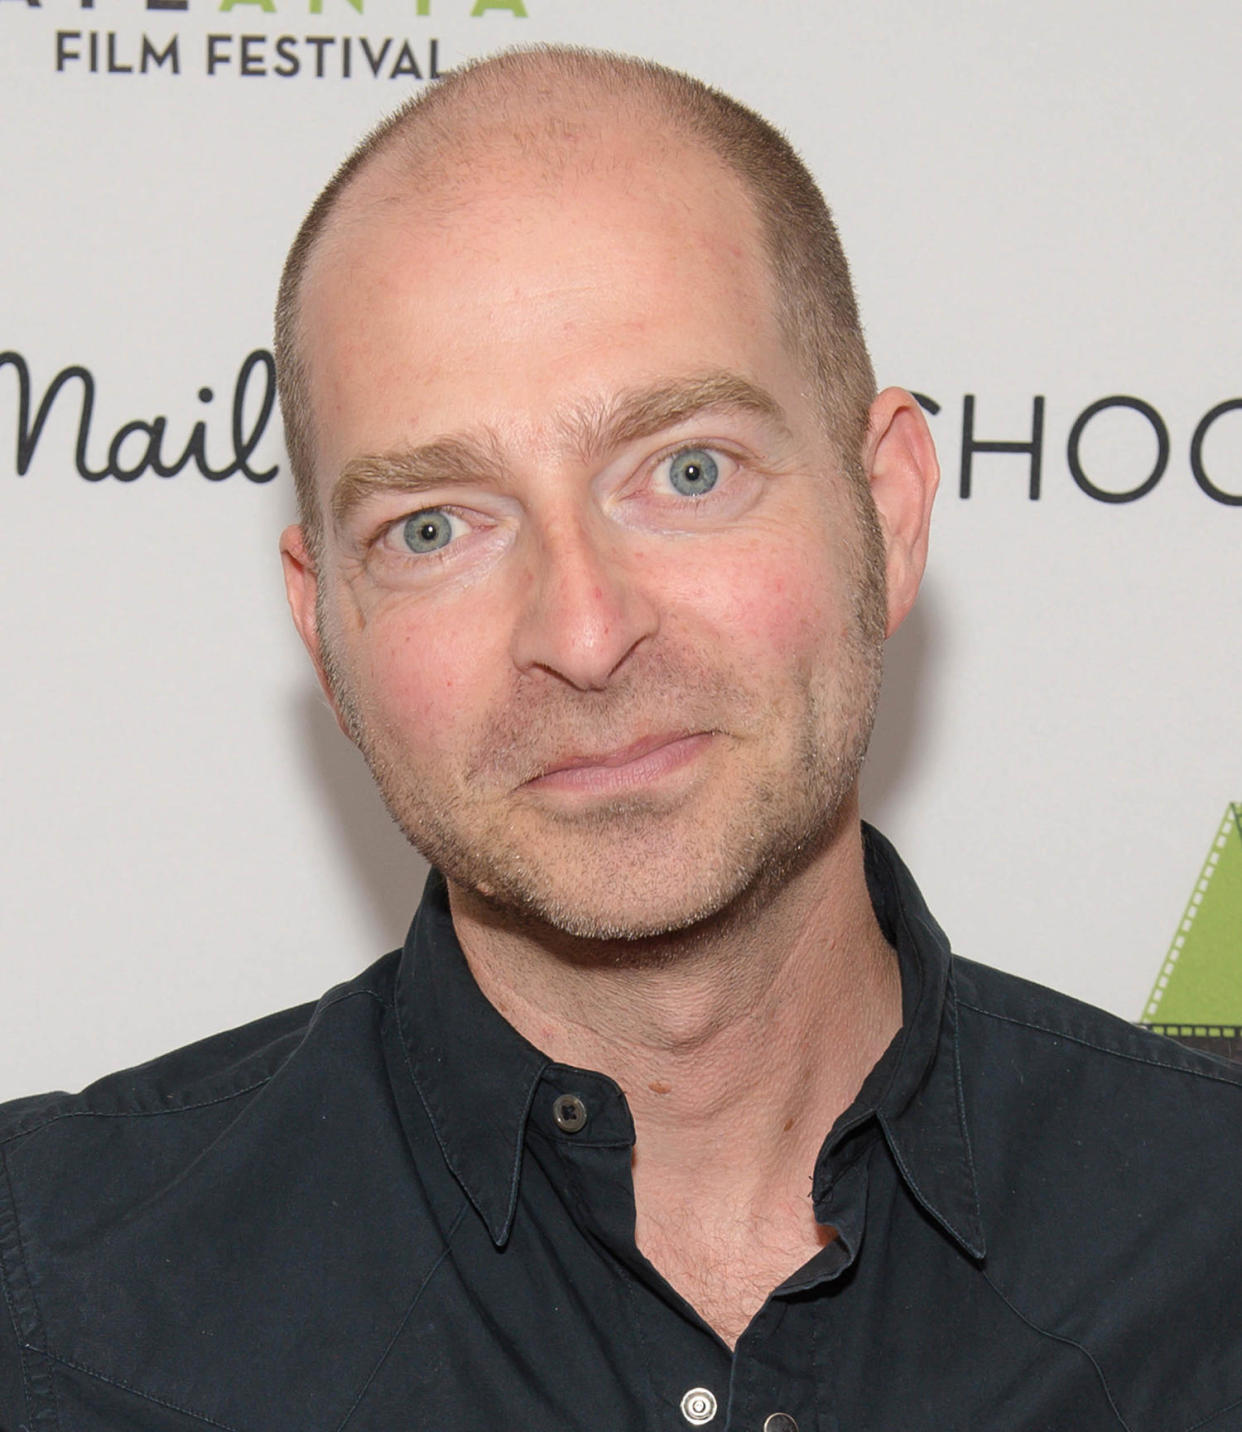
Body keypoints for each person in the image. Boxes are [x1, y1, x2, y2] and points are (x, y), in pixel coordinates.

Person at [1, 46, 1239, 1432]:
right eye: (432, 528)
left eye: (685, 471)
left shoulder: (1211, 1239)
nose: (583, 633)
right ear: (326, 630)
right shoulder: (48, 1294)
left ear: (884, 511)